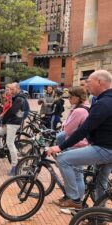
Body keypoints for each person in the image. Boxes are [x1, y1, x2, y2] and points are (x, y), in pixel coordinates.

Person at [47, 70, 112, 209]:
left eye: (90, 81)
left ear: (100, 82)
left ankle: (75, 199)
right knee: (101, 183)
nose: (87, 85)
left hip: (104, 148)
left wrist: (59, 147)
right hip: (108, 147)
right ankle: (99, 216)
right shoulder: (106, 100)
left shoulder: (103, 103)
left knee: (63, 159)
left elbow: (83, 130)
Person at [54, 86, 90, 206]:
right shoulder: (82, 107)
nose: (69, 99)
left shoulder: (79, 110)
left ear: (77, 97)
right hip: (79, 143)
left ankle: (76, 201)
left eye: (71, 97)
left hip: (76, 144)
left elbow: (68, 128)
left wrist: (65, 125)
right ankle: (75, 199)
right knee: (77, 175)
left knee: (77, 175)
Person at [0, 82, 28, 176]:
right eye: (10, 89)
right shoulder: (15, 97)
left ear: (18, 88)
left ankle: (15, 165)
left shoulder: (20, 98)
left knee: (10, 143)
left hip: (13, 123)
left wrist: (3, 120)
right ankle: (1, 150)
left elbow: (12, 111)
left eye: (13, 89)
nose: (11, 91)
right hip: (9, 122)